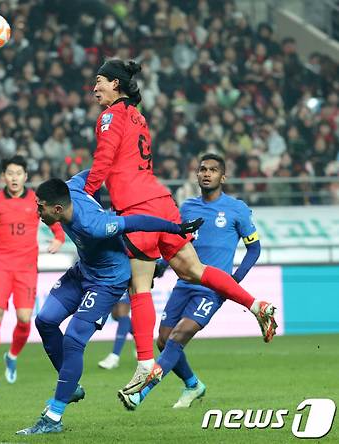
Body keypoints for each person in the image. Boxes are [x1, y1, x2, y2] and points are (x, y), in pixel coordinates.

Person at [83, 59, 276, 394]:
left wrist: (85, 197)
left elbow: (103, 160)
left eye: (99, 81)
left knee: (139, 286)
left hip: (136, 208)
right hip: (161, 200)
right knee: (193, 270)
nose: (94, 87)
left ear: (115, 84)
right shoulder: (138, 115)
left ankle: (144, 364)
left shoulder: (110, 116)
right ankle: (256, 305)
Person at [16, 170, 202, 435]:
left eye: (40, 208)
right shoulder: (72, 188)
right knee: (44, 320)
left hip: (108, 281)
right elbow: (98, 170)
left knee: (73, 338)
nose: (37, 213)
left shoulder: (93, 224)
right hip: (84, 271)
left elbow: (136, 222)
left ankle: (53, 417)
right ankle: (70, 386)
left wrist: (177, 229)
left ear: (57, 209)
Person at [119, 153, 262, 410]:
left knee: (178, 336)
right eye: (203, 169)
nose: (207, 174)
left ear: (223, 176)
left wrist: (233, 282)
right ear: (196, 175)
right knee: (162, 339)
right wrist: (161, 266)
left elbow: (254, 249)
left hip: (212, 289)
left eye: (213, 170)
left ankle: (141, 392)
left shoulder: (237, 209)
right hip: (184, 283)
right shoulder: (186, 208)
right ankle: (193, 385)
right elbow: (178, 246)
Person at [0, 155, 65, 388]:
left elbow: (54, 219)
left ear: (25, 176)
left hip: (26, 269)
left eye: (18, 173)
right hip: (2, 266)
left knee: (25, 320)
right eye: (10, 173)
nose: (14, 178)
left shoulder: (36, 200)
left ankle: (12, 356)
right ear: (3, 176)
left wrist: (59, 238)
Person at [97, 291, 132, 370]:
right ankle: (142, 340)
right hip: (112, 281)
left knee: (122, 312)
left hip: (126, 281)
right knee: (116, 315)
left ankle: (114, 356)